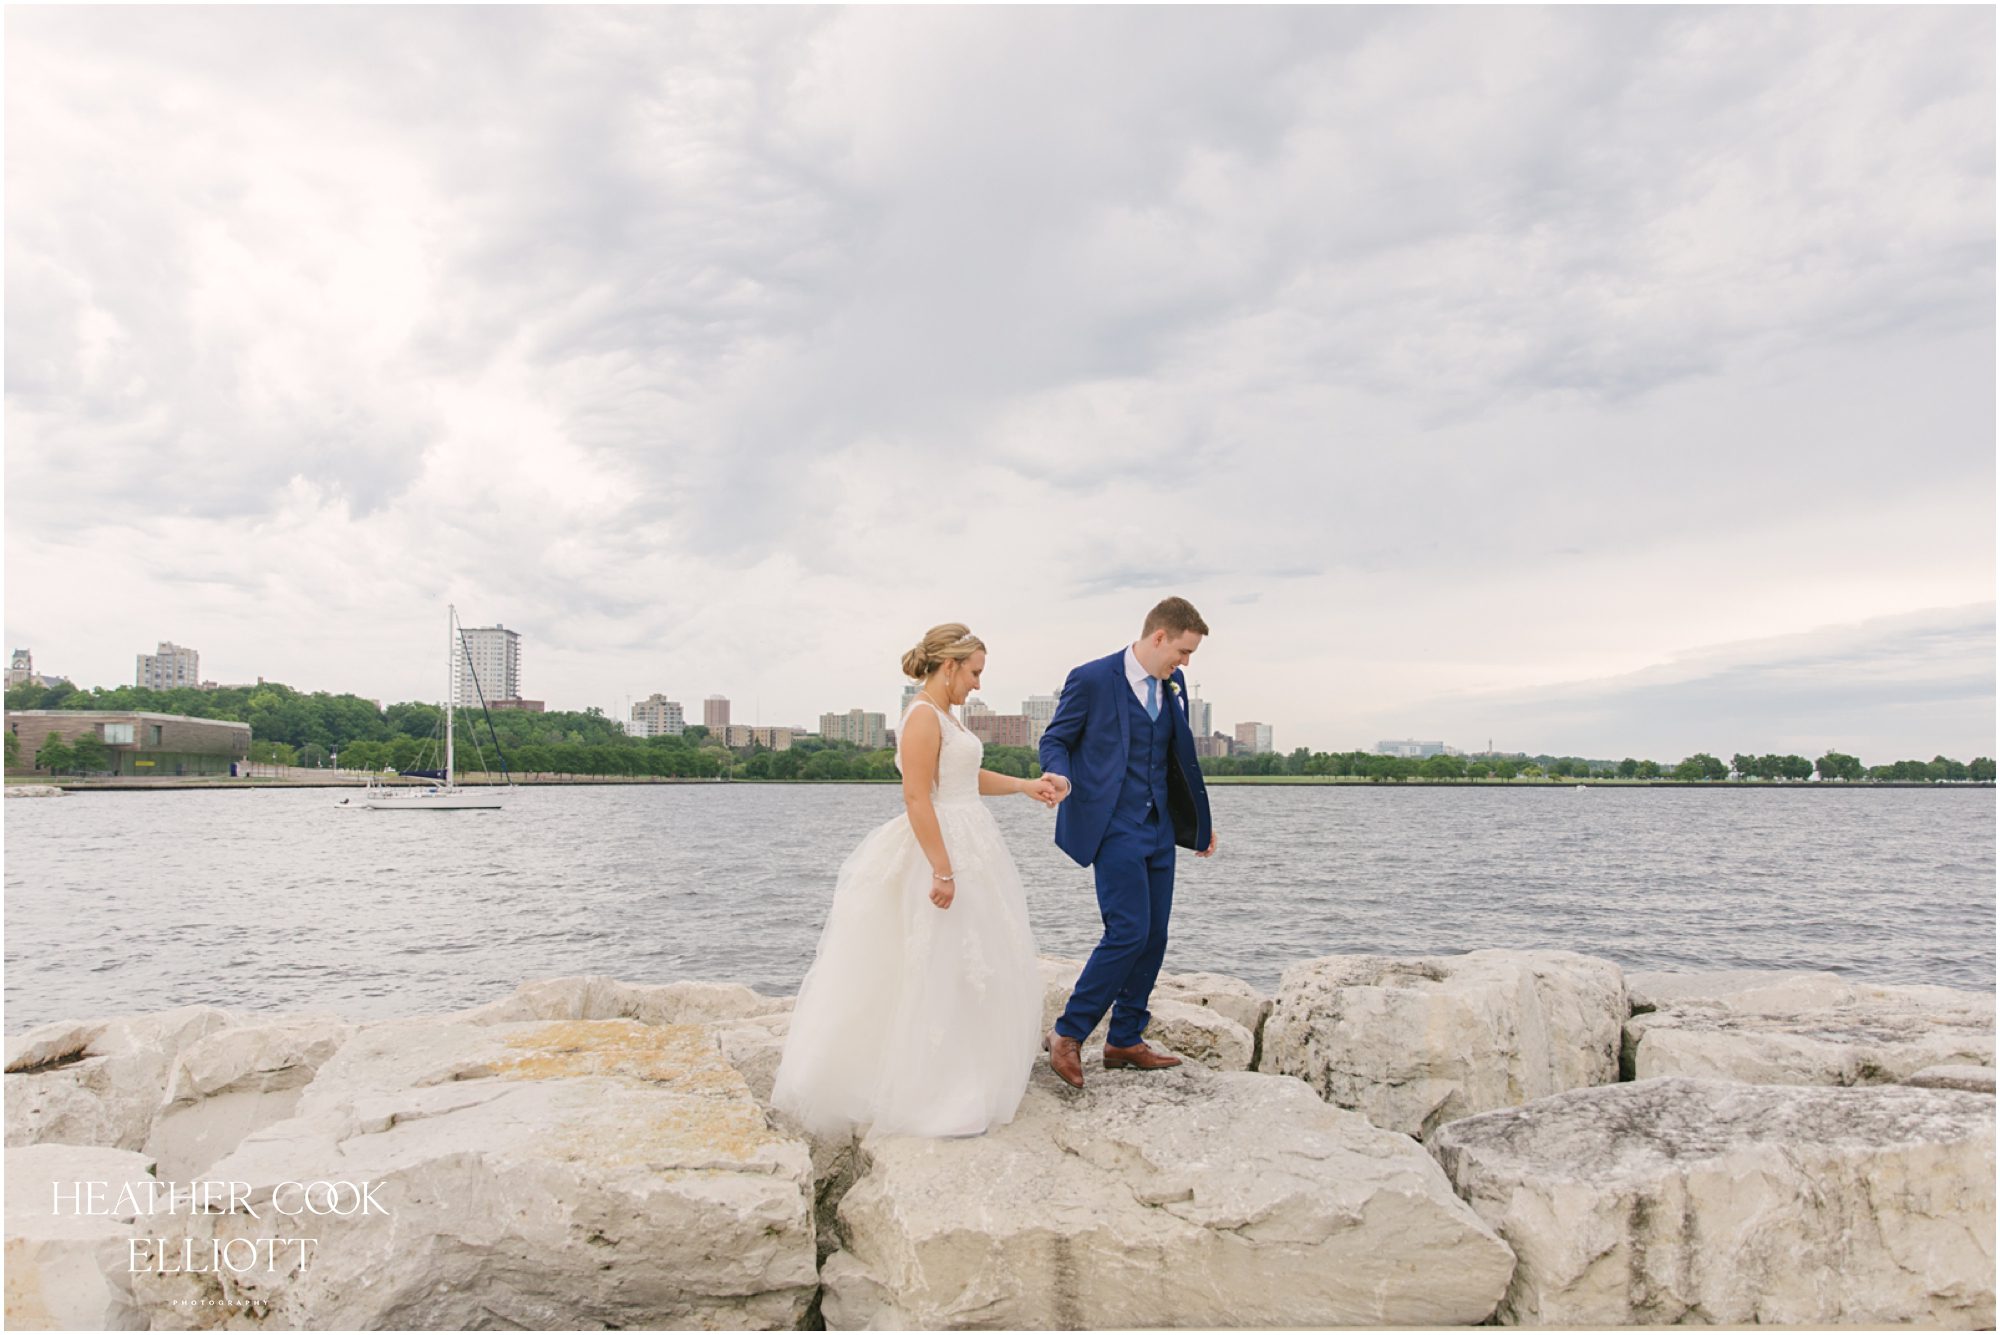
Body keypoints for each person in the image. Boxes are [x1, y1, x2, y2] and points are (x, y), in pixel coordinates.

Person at [770, 624, 1062, 1139]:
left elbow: (964, 779)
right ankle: (932, 1089)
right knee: (940, 959)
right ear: (948, 665)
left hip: (973, 840)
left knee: (976, 959)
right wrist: (941, 869)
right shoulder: (923, 717)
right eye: (973, 673)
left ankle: (970, 1071)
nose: (977, 684)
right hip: (942, 846)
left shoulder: (948, 716)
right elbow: (917, 797)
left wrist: (1023, 786)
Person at [1038, 597, 1216, 1089]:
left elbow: (1178, 761)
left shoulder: (1171, 685)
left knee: (1155, 934)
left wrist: (1199, 823)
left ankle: (1124, 1038)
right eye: (1183, 651)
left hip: (1158, 827)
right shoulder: (1092, 679)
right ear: (1158, 637)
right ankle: (1068, 1034)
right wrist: (1056, 772)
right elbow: (1056, 738)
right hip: (1112, 824)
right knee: (1128, 930)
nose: (1185, 662)